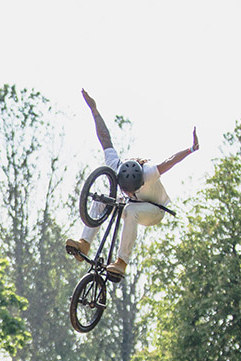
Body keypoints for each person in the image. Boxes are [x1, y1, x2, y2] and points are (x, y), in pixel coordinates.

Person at [65, 89, 198, 281]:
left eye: (132, 190)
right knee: (103, 199)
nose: (128, 193)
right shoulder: (116, 166)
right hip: (131, 205)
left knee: (130, 210)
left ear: (141, 182)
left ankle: (122, 262)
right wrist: (94, 109)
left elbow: (170, 161)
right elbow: (105, 138)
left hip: (154, 210)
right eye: (126, 190)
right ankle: (84, 243)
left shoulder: (149, 172)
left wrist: (191, 149)